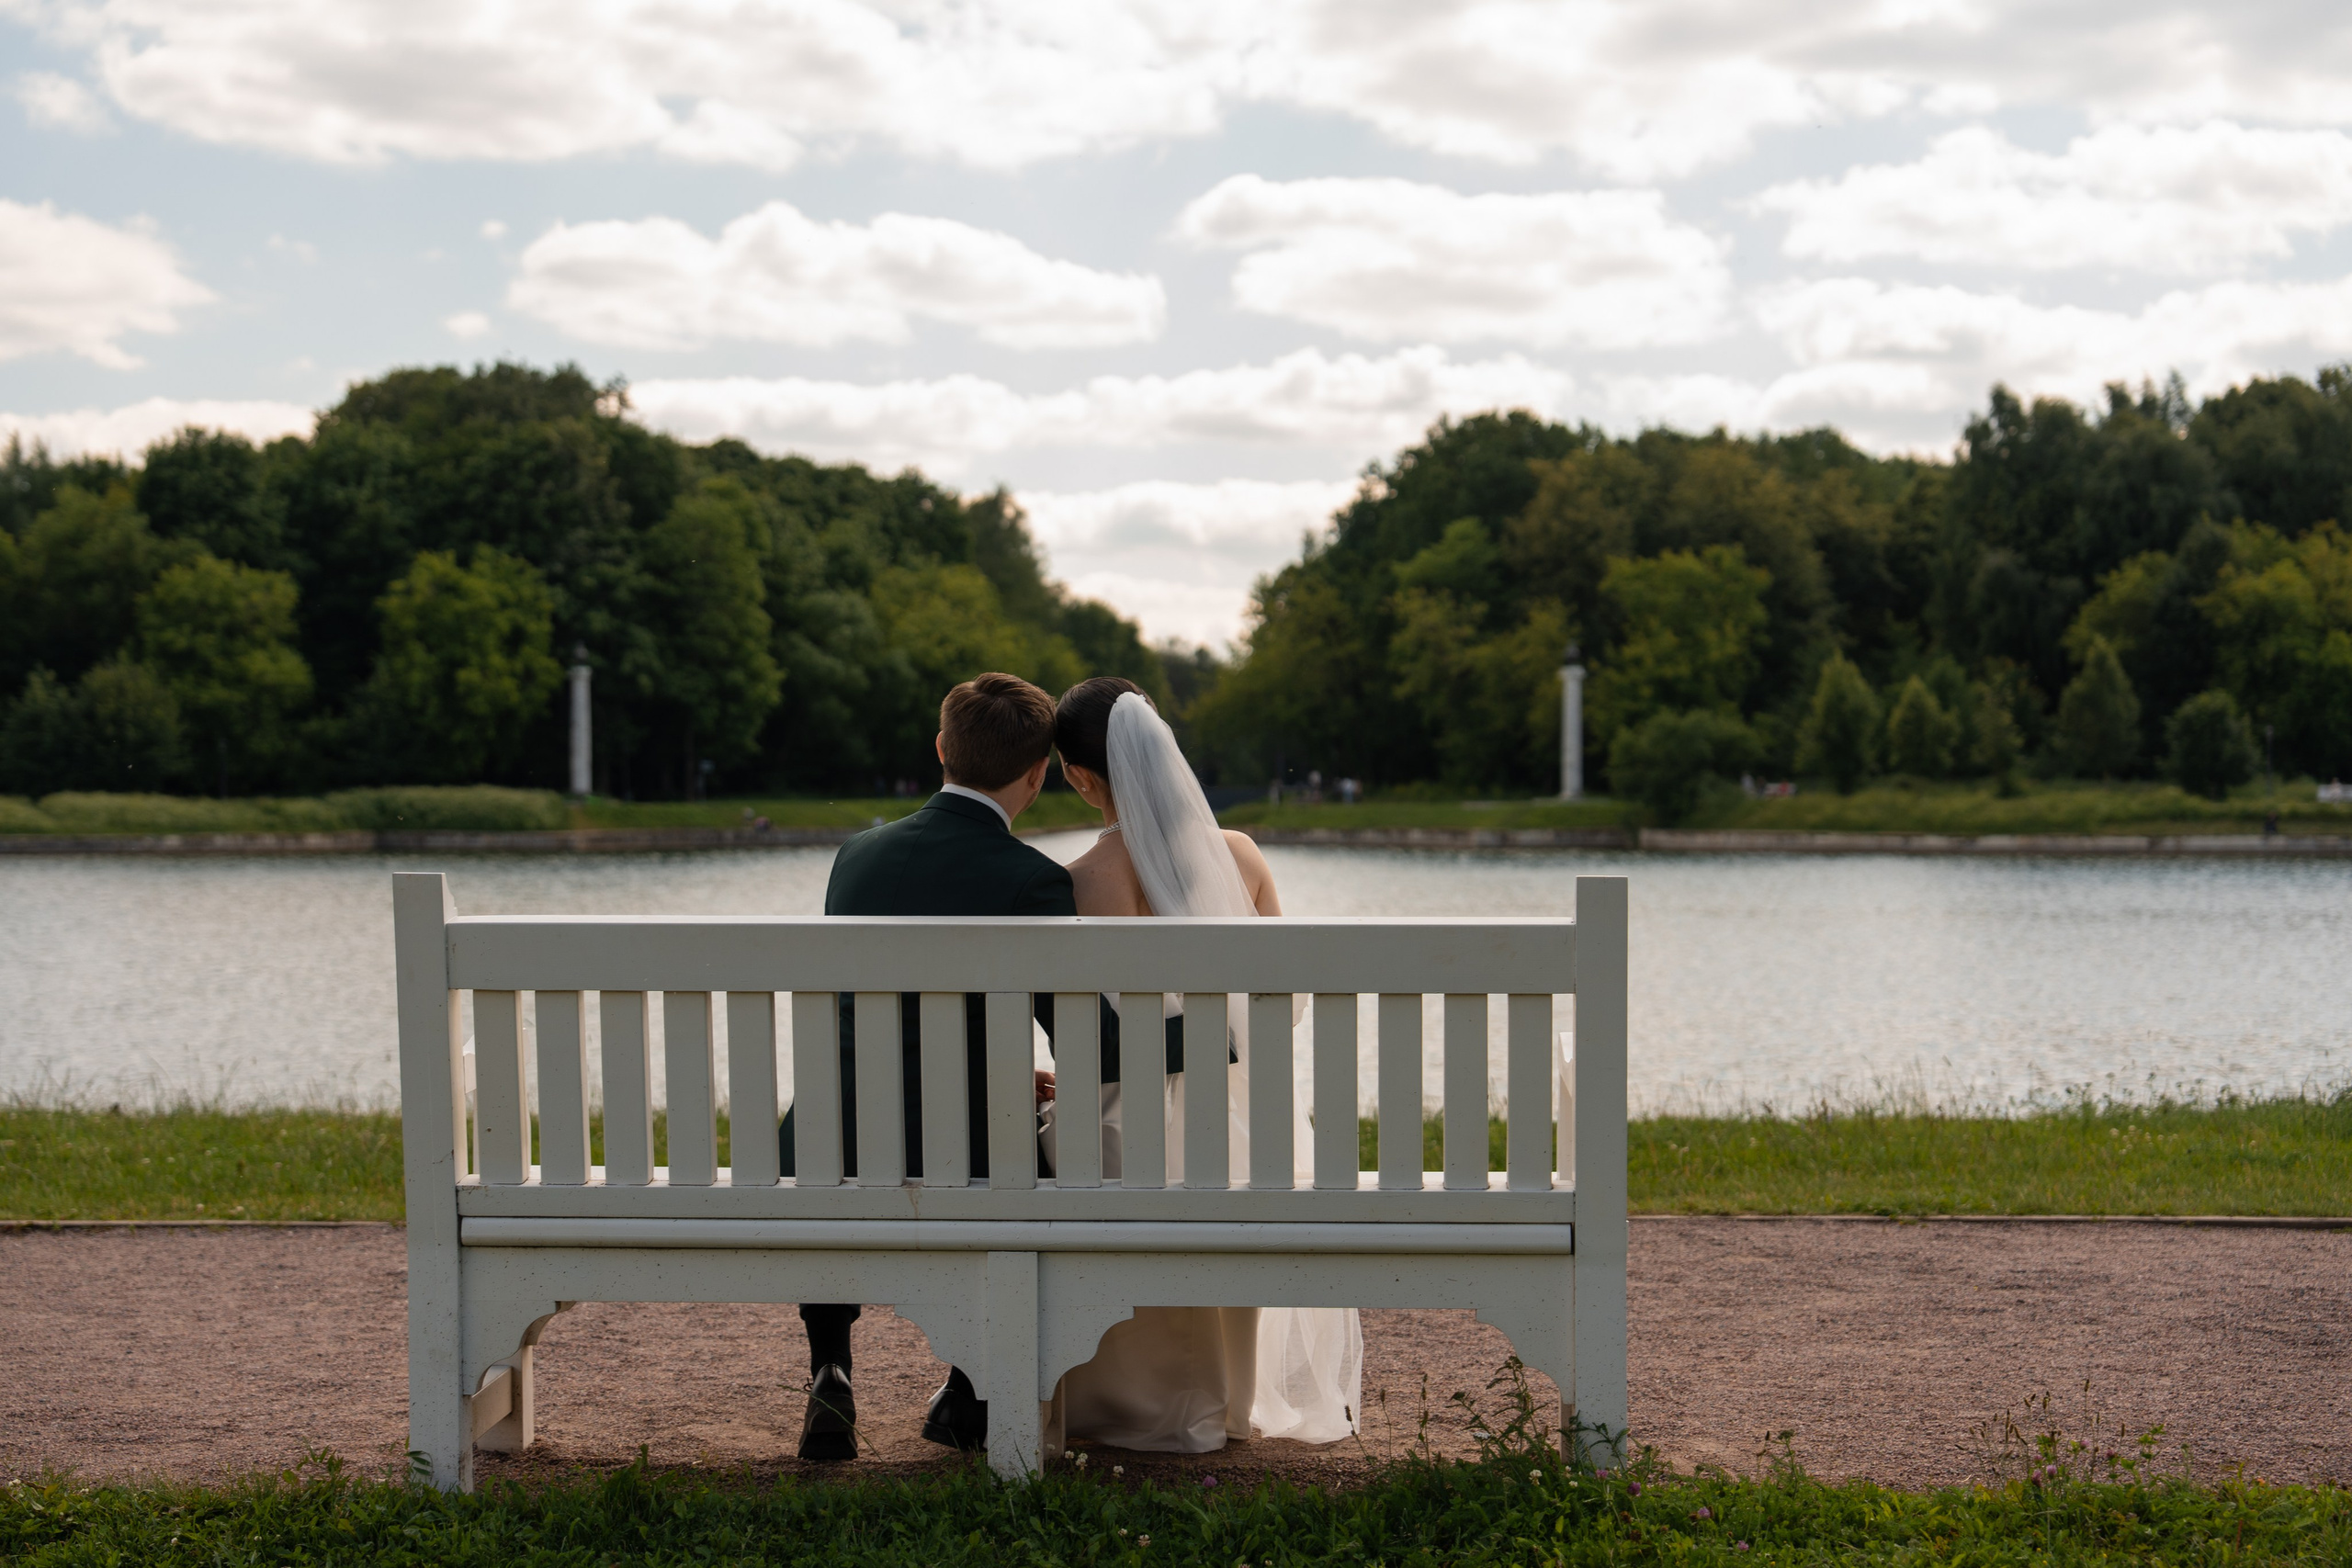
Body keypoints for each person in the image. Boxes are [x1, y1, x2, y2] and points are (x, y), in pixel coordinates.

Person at [1044, 675, 1363, 1452]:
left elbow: (1105, 1036)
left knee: (1061, 1136)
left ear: (1083, 777)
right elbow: (1281, 1006)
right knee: (1235, 1144)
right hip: (1252, 1128)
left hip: (1137, 1134)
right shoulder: (1241, 857)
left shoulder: (1090, 876)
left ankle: (1129, 1402)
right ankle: (1233, 1400)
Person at [779, 671, 1069, 1461]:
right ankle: (969, 1388)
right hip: (965, 1147)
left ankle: (831, 1363)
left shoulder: (857, 855)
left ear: (941, 749)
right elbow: (1073, 1029)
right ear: (1037, 773)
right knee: (1031, 1160)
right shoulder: (1034, 879)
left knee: (843, 1134)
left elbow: (889, 1018)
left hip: (825, 1141)